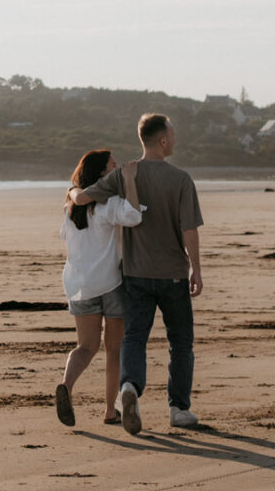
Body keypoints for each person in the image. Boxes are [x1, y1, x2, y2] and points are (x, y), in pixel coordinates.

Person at [77, 111, 204, 433]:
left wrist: (71, 194)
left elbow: (84, 196)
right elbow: (189, 229)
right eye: (172, 135)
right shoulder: (180, 180)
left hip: (135, 274)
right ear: (162, 140)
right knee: (180, 343)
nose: (174, 139)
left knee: (134, 338)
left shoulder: (123, 175)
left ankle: (130, 387)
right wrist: (197, 270)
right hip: (173, 273)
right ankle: (178, 409)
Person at [57, 147, 143, 428]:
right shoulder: (109, 204)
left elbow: (66, 237)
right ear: (102, 173)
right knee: (114, 348)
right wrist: (130, 181)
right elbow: (133, 216)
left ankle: (67, 386)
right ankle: (109, 410)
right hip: (111, 284)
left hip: (79, 283)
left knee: (85, 346)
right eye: (113, 165)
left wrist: (73, 193)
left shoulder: (72, 208)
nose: (117, 169)